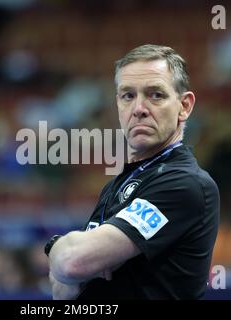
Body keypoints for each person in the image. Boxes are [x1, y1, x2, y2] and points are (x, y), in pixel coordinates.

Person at [44, 44, 220, 300]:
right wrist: (78, 262)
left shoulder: (185, 183)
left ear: (184, 106)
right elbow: (62, 289)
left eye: (156, 95)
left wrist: (55, 247)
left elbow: (72, 264)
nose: (139, 108)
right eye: (128, 96)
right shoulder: (116, 185)